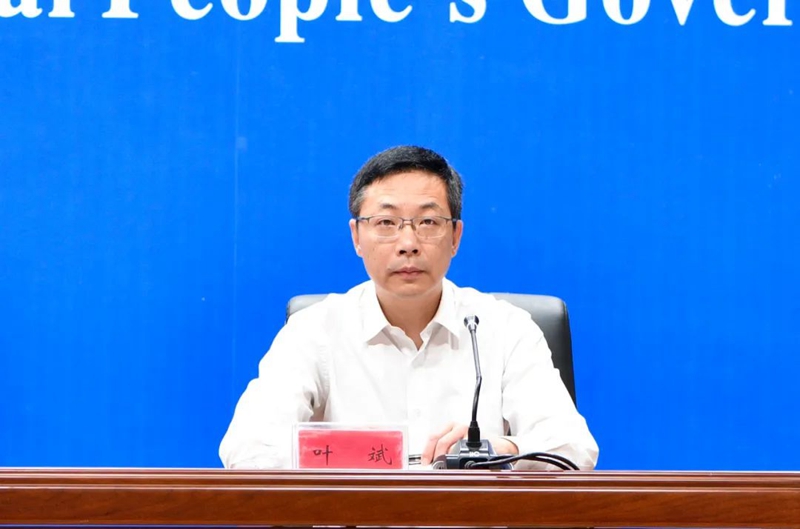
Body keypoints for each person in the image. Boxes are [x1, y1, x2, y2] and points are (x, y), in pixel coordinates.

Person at [219, 145, 599, 470]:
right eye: (386, 222)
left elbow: (573, 448)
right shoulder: (314, 331)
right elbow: (247, 448)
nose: (408, 243)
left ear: (455, 236)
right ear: (357, 236)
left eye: (428, 222)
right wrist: (350, 463)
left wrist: (496, 450)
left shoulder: (505, 328)